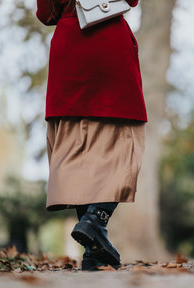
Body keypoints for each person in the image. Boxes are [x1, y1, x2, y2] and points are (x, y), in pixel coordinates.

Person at [36, 0, 146, 270]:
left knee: (76, 149)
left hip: (69, 43)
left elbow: (44, 13)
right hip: (107, 41)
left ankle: (94, 253)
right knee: (119, 142)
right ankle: (96, 219)